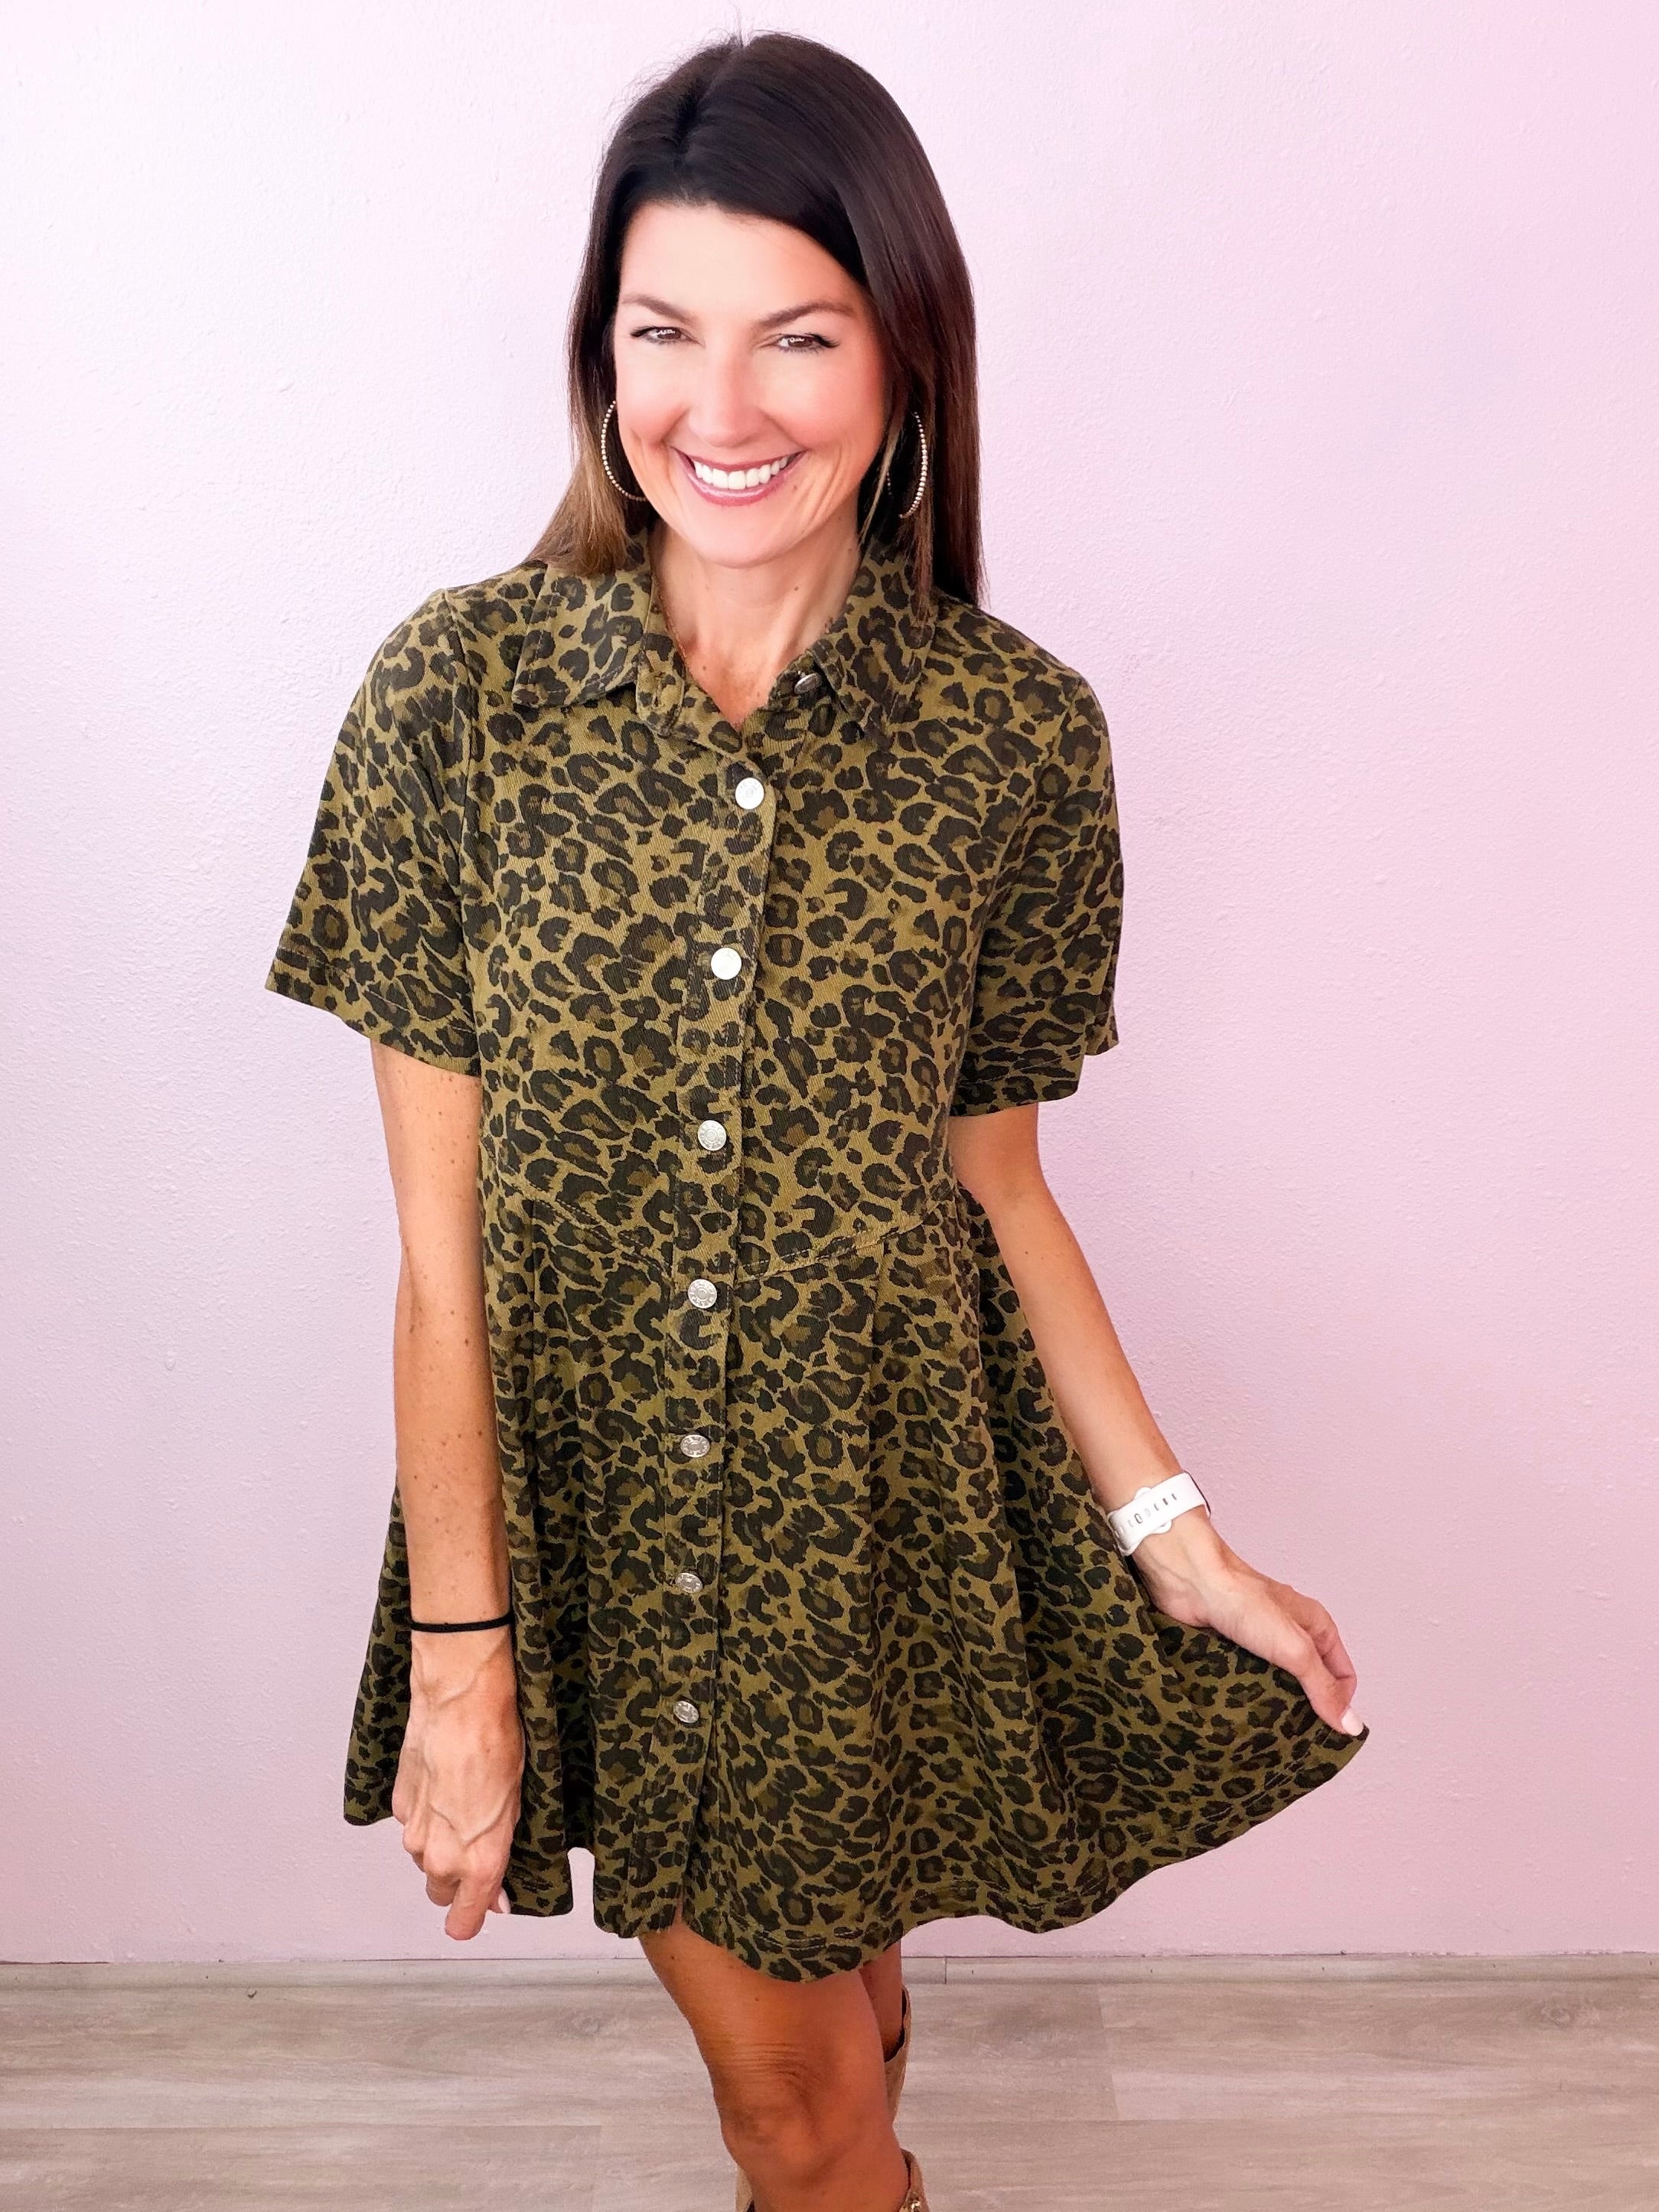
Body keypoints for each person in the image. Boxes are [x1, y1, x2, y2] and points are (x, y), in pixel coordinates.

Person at [266, 31, 1368, 2212]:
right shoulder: (455, 702)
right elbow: (441, 1255)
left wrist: (1178, 1536)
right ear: (598, 353)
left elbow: (1001, 1193)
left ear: (903, 351)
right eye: (661, 331)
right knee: (802, 2100)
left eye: (799, 334)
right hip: (608, 1520)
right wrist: (466, 1664)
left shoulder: (1015, 735)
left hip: (879, 1511)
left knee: (836, 2066)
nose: (723, 405)